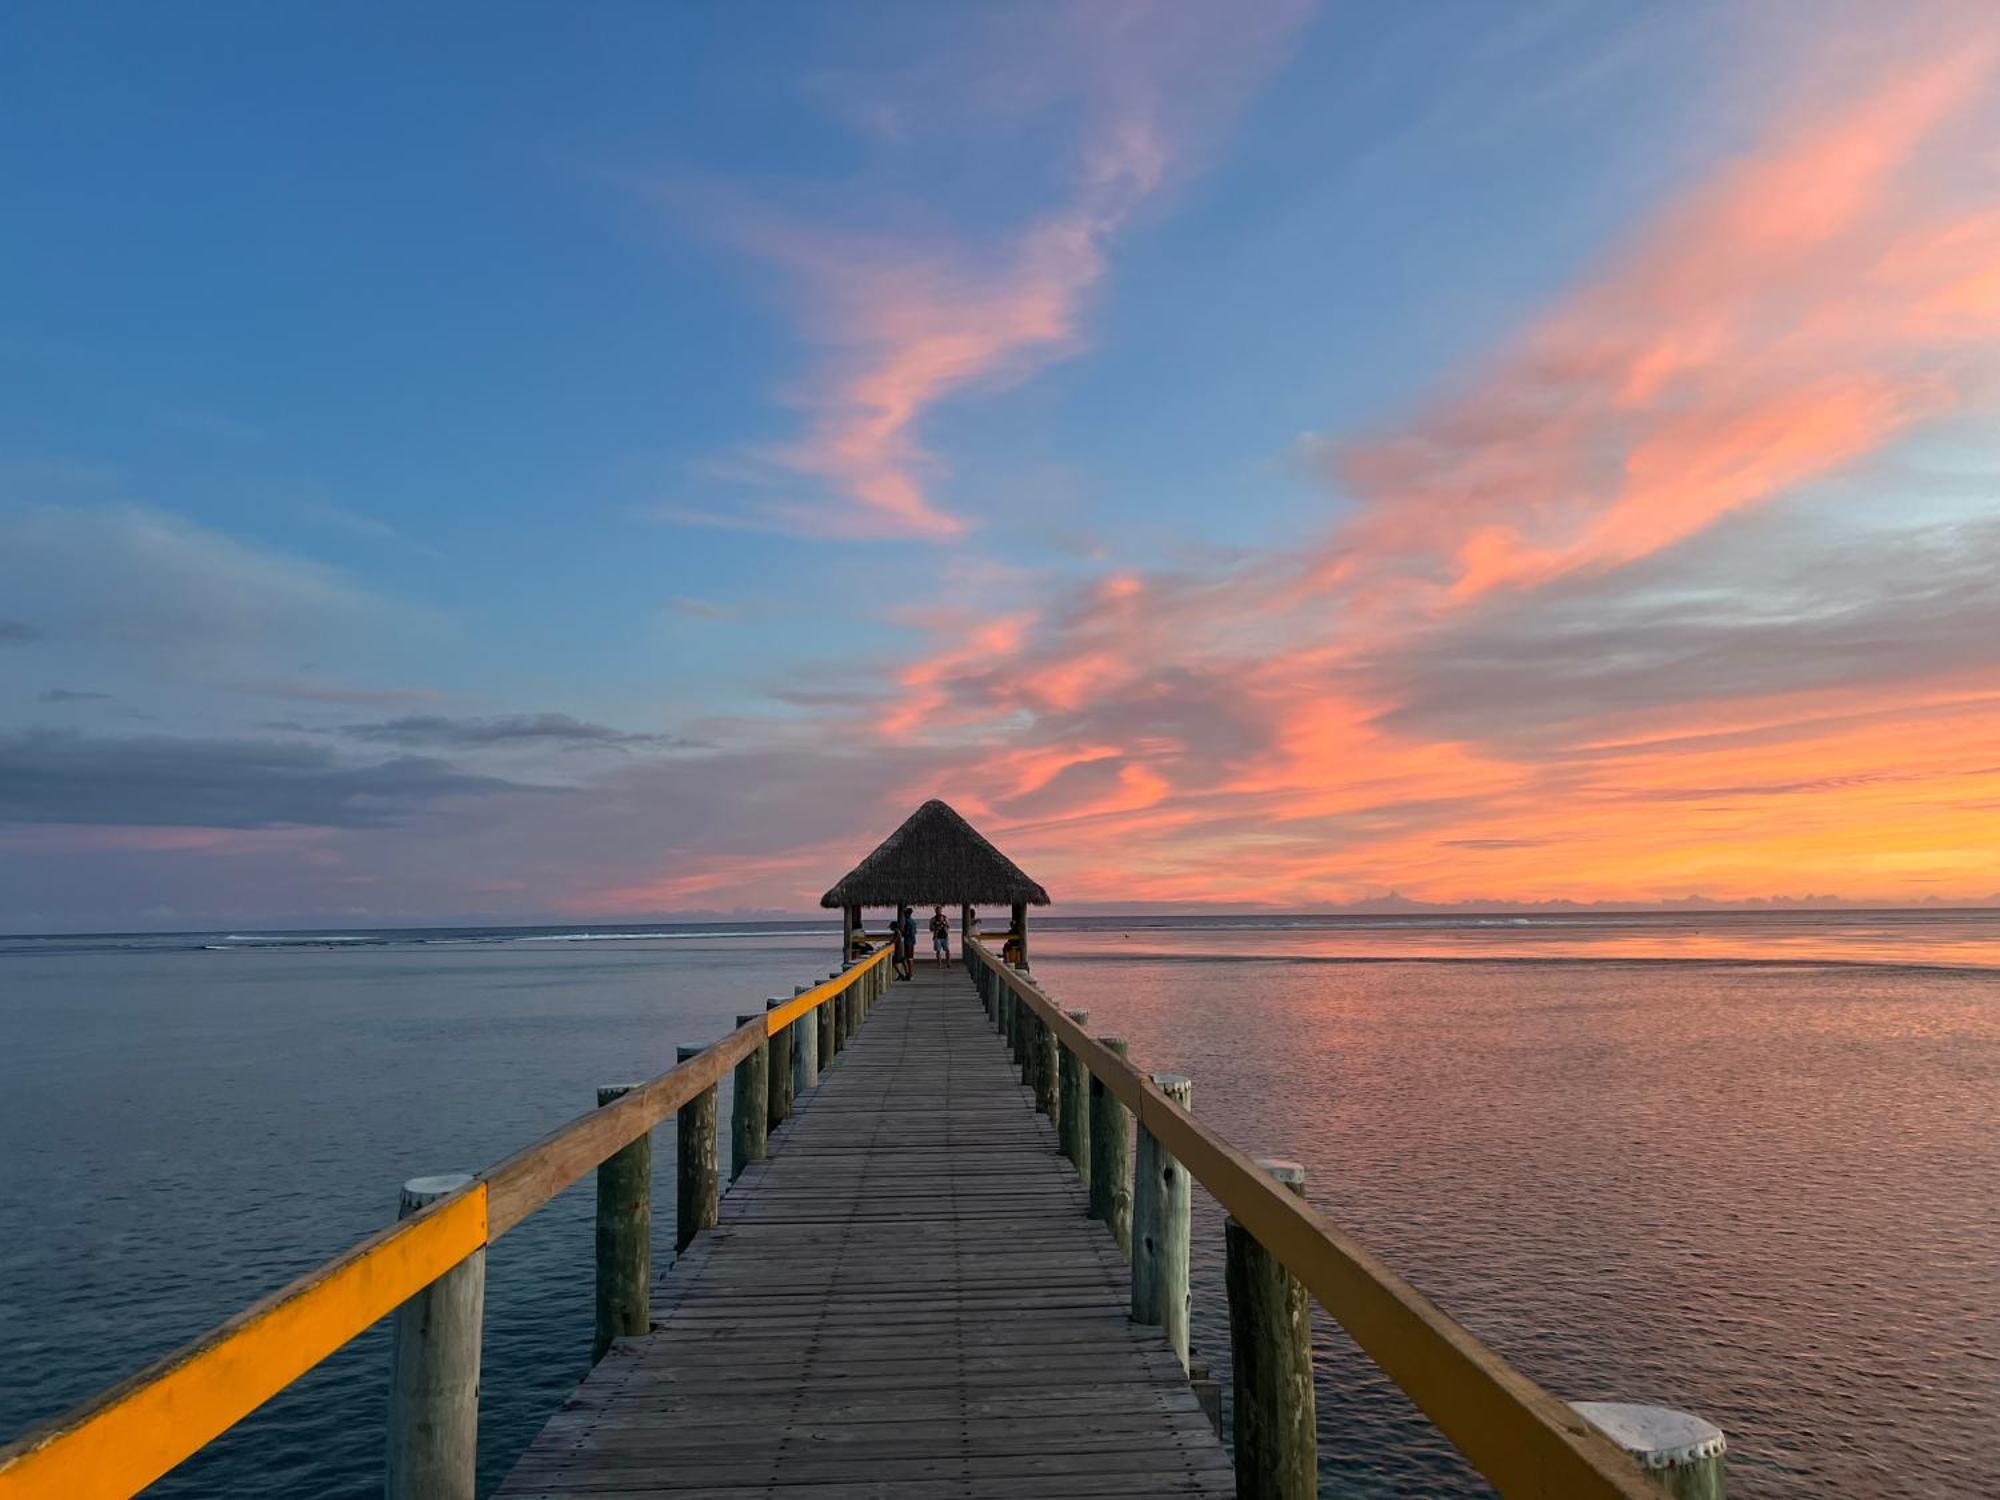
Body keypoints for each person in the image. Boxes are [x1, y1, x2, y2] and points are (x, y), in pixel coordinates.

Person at [894, 904, 916, 981]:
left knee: (909, 959)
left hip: (908, 942)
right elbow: (914, 932)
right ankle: (909, 974)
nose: (903, 915)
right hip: (912, 942)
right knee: (909, 959)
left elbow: (909, 933)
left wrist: (902, 932)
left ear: (907, 914)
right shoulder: (913, 921)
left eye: (904, 914)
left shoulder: (908, 922)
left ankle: (910, 975)